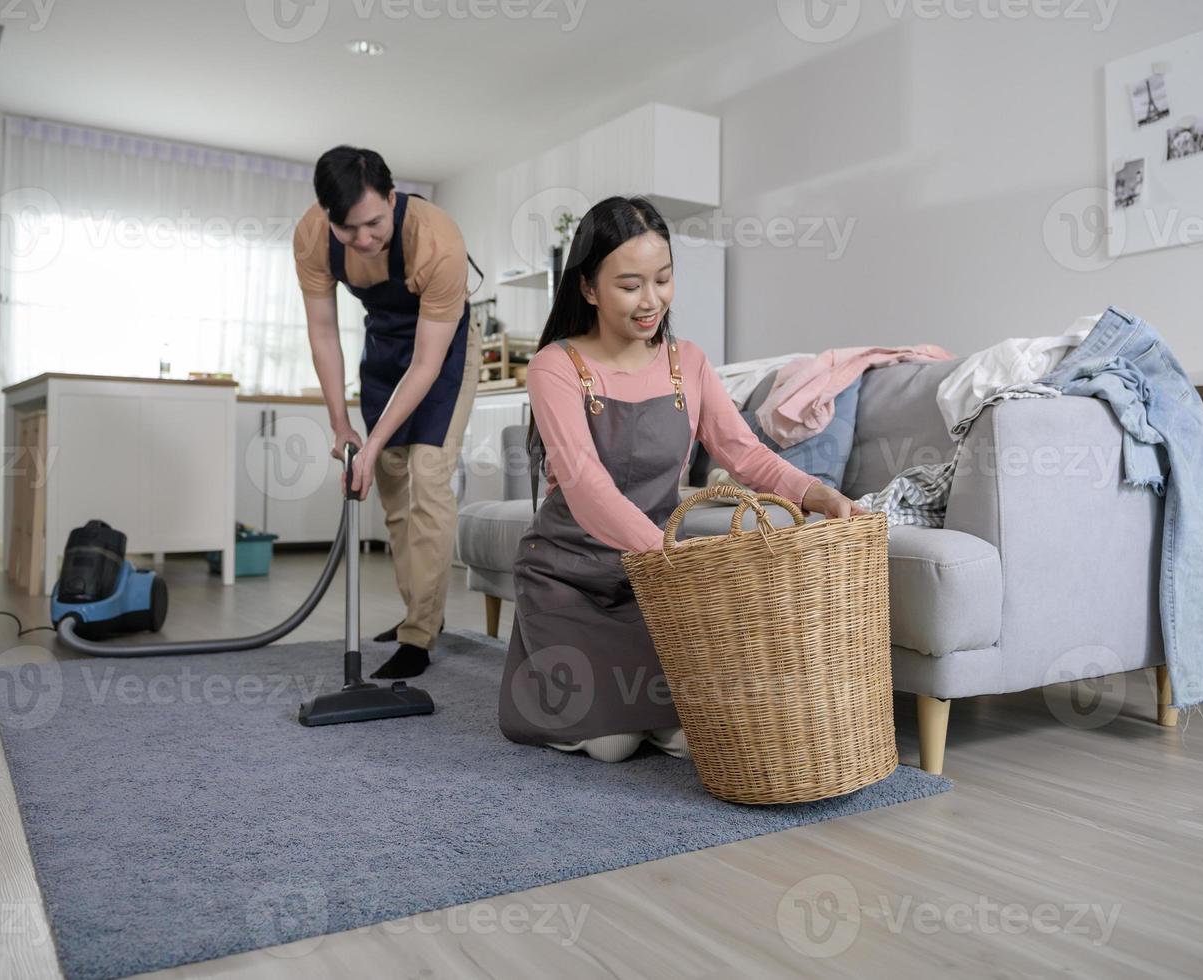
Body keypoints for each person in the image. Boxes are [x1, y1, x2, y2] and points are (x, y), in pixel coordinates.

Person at [498, 196, 867, 763]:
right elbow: (586, 485)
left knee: (685, 736)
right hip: (568, 577)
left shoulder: (687, 363)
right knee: (614, 744)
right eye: (630, 285)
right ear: (589, 289)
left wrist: (820, 495)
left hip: (648, 585)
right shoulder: (556, 366)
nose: (652, 301)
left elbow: (745, 454)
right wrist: (673, 559)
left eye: (663, 279)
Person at [293, 146, 481, 679]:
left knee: (427, 472)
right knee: (393, 486)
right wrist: (340, 422)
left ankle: (419, 635)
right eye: (349, 230)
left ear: (392, 200)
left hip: (441, 352)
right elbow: (323, 332)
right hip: (384, 345)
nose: (366, 239)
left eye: (375, 223)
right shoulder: (311, 238)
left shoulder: (436, 238)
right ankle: (418, 616)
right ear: (328, 217)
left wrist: (370, 446)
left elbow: (427, 361)